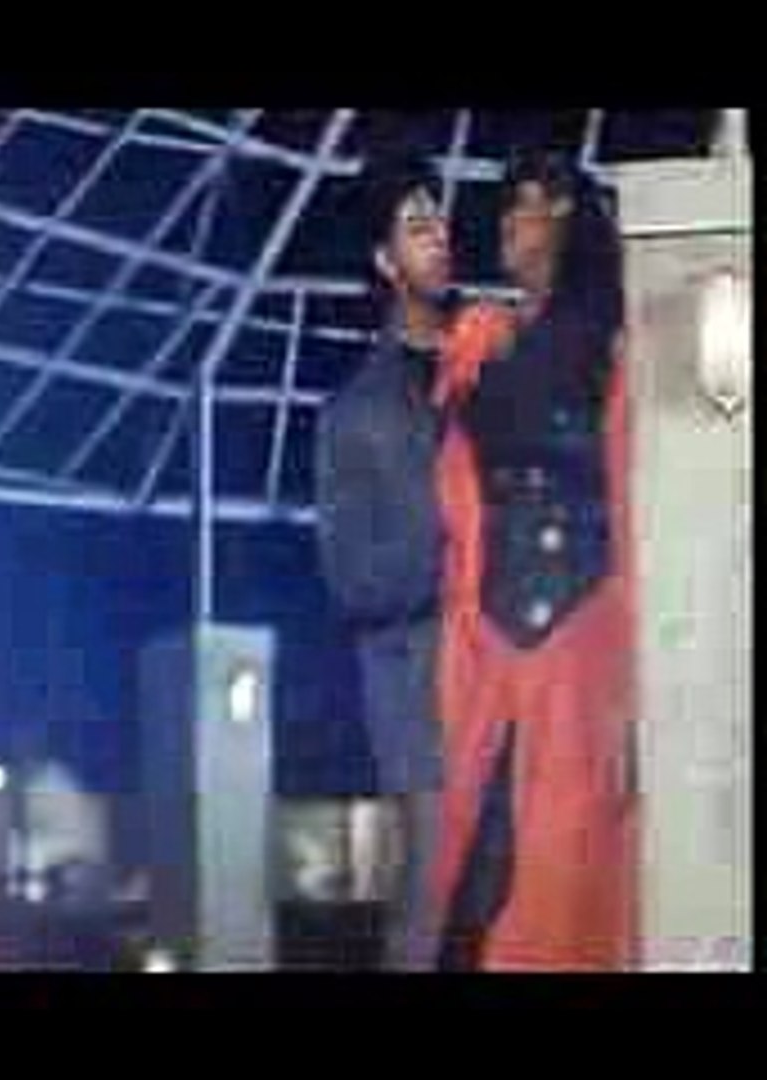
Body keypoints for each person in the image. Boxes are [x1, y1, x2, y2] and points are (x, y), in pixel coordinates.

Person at [430, 151, 638, 971]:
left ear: (567, 219)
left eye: (532, 205)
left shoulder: (602, 340)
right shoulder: (499, 335)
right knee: (479, 871)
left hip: (573, 634)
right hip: (493, 630)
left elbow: (618, 478)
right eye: (511, 206)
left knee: (553, 860)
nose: (512, 224)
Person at [314, 155, 458, 971]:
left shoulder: (495, 361)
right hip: (415, 677)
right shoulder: (352, 412)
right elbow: (350, 575)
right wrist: (456, 549)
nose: (438, 236)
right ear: (383, 261)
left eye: (439, 220)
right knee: (428, 889)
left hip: (511, 657)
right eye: (416, 226)